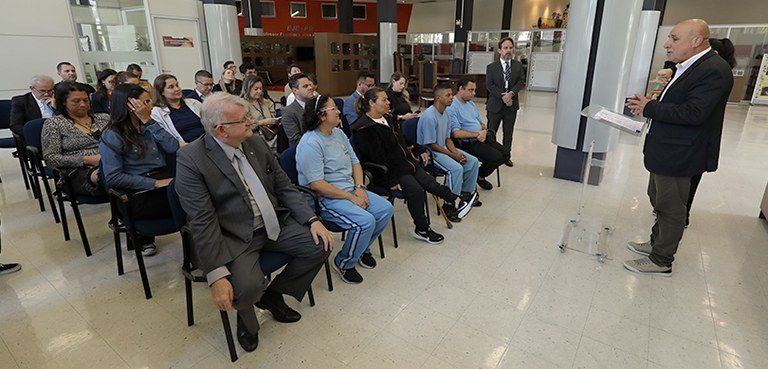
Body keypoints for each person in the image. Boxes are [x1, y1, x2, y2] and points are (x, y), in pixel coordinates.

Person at [175, 92, 332, 353]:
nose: (251, 122)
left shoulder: (255, 144)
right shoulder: (192, 160)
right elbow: (202, 221)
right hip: (234, 235)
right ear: (221, 130)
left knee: (321, 244)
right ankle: (248, 322)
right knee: (246, 288)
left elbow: (284, 186)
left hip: (274, 222)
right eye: (244, 119)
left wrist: (312, 219)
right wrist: (215, 274)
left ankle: (272, 295)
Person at [624, 19, 733, 276]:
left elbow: (695, 113)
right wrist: (651, 101)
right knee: (657, 198)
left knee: (671, 207)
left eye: (674, 38)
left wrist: (649, 108)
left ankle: (661, 259)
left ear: (696, 41)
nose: (667, 44)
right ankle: (655, 243)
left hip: (680, 152)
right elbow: (681, 101)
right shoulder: (688, 67)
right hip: (666, 148)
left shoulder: (713, 70)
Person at [351, 87, 473, 243]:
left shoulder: (387, 118)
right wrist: (392, 181)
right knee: (416, 190)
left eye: (388, 99)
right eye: (384, 100)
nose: (388, 103)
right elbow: (376, 158)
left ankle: (456, 201)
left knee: (428, 181)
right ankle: (422, 229)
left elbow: (403, 139)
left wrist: (419, 149)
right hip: (389, 172)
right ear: (371, 103)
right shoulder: (363, 128)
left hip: (405, 163)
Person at [296, 95, 393, 284]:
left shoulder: (338, 133)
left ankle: (361, 247)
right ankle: (344, 262)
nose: (339, 111)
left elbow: (356, 162)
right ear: (322, 115)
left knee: (385, 210)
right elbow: (316, 184)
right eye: (334, 109)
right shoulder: (310, 143)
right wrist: (350, 197)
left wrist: (360, 188)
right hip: (325, 199)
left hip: (349, 190)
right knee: (365, 221)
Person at [99, 83, 181, 256]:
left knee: (202, 196)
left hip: (165, 182)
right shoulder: (112, 134)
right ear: (130, 106)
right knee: (195, 203)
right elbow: (113, 177)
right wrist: (155, 183)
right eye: (146, 102)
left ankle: (199, 250)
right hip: (137, 192)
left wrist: (148, 121)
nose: (150, 106)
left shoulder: (149, 125)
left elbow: (173, 147)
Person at [684, 37, 736, 227]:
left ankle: (680, 218)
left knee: (687, 184)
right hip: (693, 141)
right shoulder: (707, 70)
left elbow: (695, 113)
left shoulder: (713, 72)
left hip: (696, 142)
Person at [417, 82, 481, 208]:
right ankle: (449, 204)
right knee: (456, 169)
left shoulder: (446, 113)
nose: (452, 97)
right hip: (431, 153)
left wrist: (456, 154)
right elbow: (432, 144)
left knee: (472, 161)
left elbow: (447, 139)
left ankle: (465, 195)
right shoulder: (429, 116)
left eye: (451, 94)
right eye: (448, 95)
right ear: (438, 98)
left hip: (443, 149)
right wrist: (453, 156)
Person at [41, 81, 108, 197]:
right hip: (77, 171)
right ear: (63, 102)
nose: (83, 104)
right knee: (108, 174)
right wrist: (86, 160)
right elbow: (50, 158)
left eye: (86, 100)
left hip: (112, 162)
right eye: (76, 101)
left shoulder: (104, 118)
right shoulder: (54, 124)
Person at [447, 78, 507, 190]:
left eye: (474, 90)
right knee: (496, 157)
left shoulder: (471, 104)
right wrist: (476, 134)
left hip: (481, 136)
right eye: (470, 90)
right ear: (461, 89)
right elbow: (456, 133)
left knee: (505, 154)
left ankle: (478, 175)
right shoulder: (452, 107)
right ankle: (478, 177)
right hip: (468, 142)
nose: (474, 93)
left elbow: (480, 123)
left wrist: (483, 131)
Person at [485, 37, 524, 167]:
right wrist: (504, 97)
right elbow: (490, 85)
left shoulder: (518, 66)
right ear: (499, 50)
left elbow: (520, 82)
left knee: (508, 133)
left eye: (510, 48)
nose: (508, 50)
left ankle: (506, 156)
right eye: (505, 48)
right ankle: (491, 155)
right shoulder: (491, 67)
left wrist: (511, 94)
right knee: (491, 132)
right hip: (495, 105)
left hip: (511, 107)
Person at [150, 74, 204, 144]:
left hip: (207, 143)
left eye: (177, 85)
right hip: (186, 149)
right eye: (171, 87)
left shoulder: (194, 103)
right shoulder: (157, 112)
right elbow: (166, 140)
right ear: (161, 92)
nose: (177, 89)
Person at [240, 75, 280, 152]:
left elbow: (273, 115)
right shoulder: (242, 105)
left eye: (260, 89)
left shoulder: (265, 102)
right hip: (255, 138)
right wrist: (262, 122)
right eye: (256, 89)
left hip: (271, 134)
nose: (259, 91)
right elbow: (245, 126)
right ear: (247, 89)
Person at [280, 73, 316, 148]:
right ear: (295, 90)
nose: (310, 88)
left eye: (310, 85)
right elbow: (295, 140)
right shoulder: (288, 112)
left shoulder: (317, 104)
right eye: (305, 86)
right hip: (305, 148)